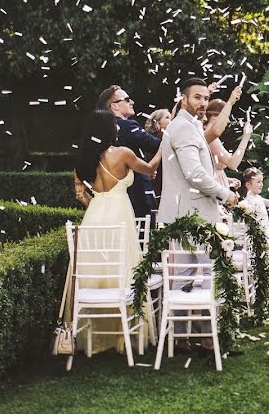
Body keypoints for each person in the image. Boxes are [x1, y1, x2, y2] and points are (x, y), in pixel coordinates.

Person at [157, 78, 239, 352]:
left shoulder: (190, 125)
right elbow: (194, 174)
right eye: (197, 98)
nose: (203, 103)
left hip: (192, 213)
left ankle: (196, 337)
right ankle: (189, 339)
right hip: (189, 215)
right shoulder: (182, 128)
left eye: (205, 98)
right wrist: (224, 194)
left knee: (198, 274)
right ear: (184, 99)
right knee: (194, 274)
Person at [73, 109, 161, 353]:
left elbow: (80, 193)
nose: (118, 128)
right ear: (108, 128)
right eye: (114, 124)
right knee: (122, 271)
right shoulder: (123, 153)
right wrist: (166, 143)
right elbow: (150, 168)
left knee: (97, 274)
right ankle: (123, 335)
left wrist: (99, 205)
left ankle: (98, 336)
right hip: (120, 215)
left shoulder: (83, 159)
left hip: (94, 217)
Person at [98, 85, 161, 223]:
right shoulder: (128, 126)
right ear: (114, 106)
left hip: (112, 196)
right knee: (143, 239)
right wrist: (168, 137)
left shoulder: (101, 130)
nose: (131, 102)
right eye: (127, 100)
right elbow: (155, 145)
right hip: (137, 193)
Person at [204, 98, 252, 194]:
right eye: (226, 116)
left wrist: (227, 179)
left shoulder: (206, 134)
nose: (228, 121)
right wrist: (246, 137)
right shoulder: (212, 140)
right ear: (214, 117)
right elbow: (233, 164)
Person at [143, 108, 170, 202]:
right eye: (167, 117)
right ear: (157, 123)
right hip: (159, 187)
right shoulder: (155, 142)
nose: (172, 120)